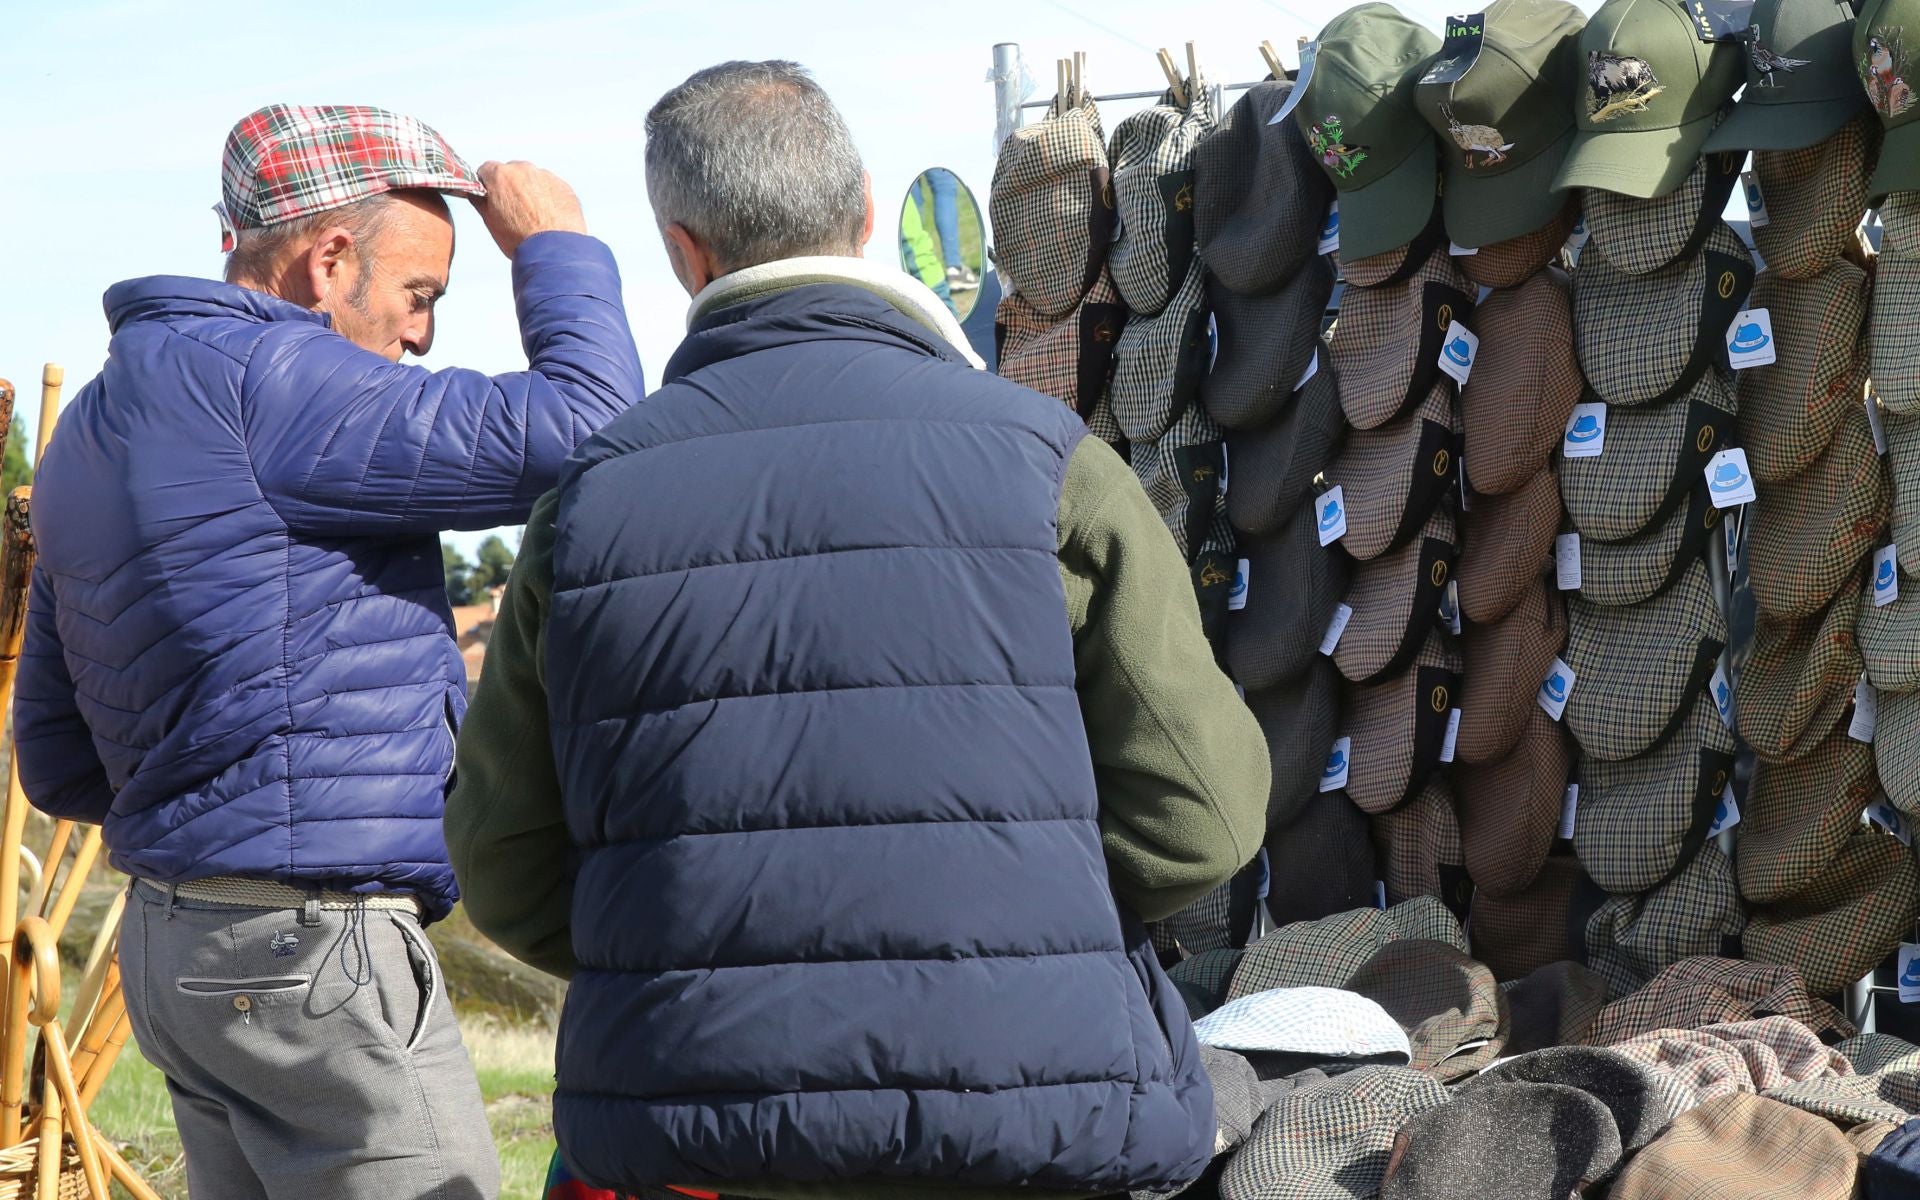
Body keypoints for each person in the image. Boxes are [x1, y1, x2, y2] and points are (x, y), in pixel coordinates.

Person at [447, 60, 1267, 1199]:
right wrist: (1026, 900)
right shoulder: (1049, 467)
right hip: (1040, 1120)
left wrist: (692, 953)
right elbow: (1204, 819)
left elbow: (505, 868)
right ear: (871, 210)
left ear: (683, 252)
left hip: (694, 1133)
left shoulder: (583, 510)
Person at [14, 103, 643, 1200]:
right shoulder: (277, 385)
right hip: (313, 958)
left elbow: (62, 761)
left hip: (174, 948)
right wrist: (556, 247)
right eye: (421, 297)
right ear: (329, 259)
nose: (421, 338)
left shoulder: (98, 425)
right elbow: (590, 427)